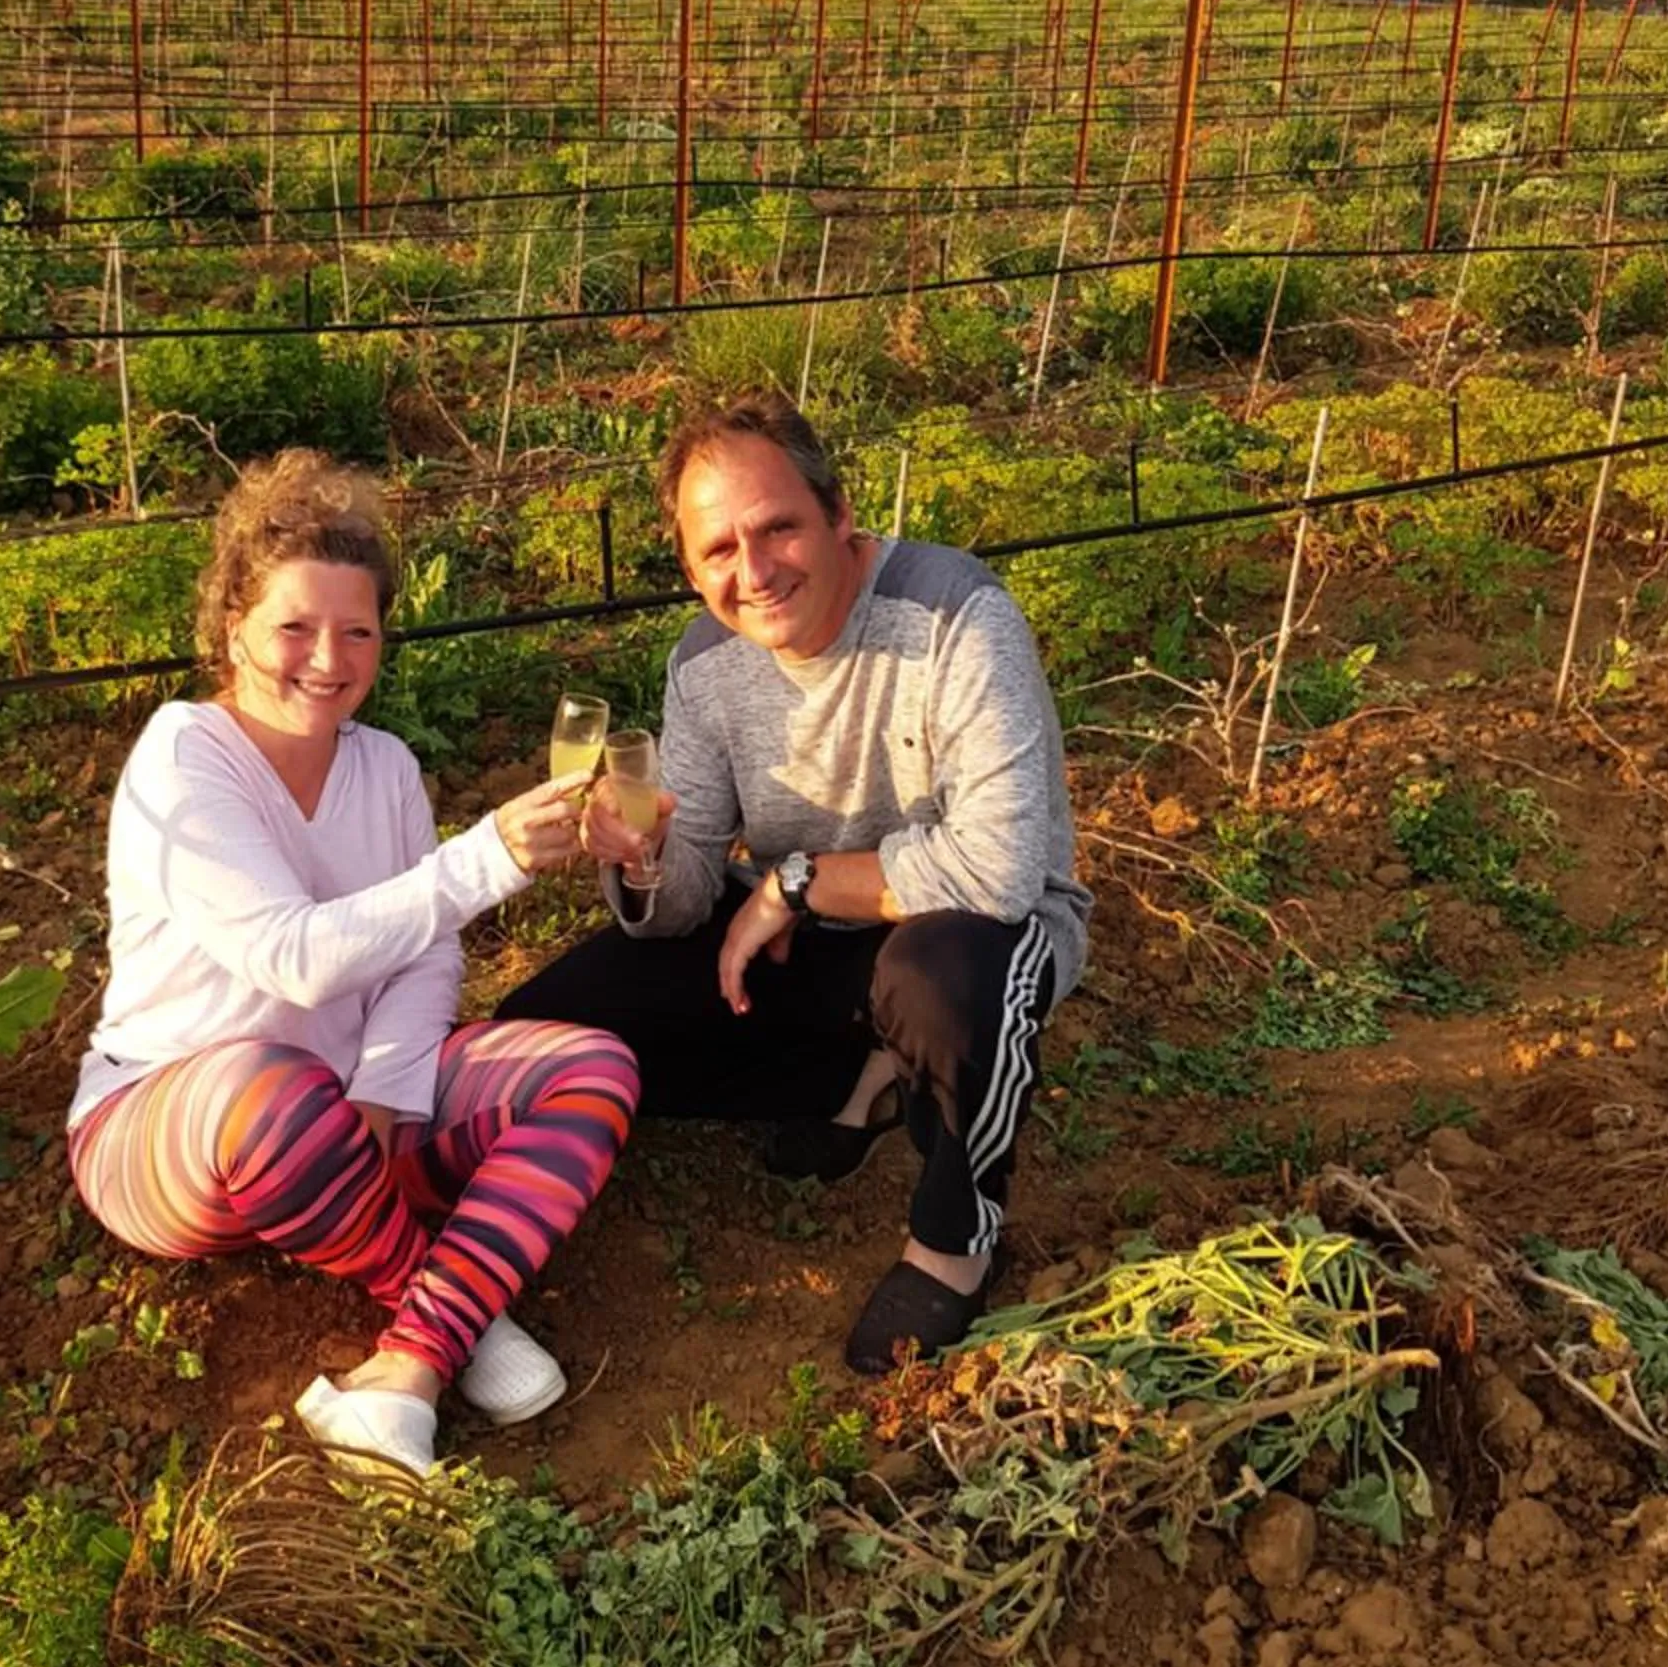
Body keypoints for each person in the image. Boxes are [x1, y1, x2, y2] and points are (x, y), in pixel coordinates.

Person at [67, 450, 638, 1479]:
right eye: (294, 626)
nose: (327, 658)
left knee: (593, 1068)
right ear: (232, 621)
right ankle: (446, 1300)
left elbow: (423, 960)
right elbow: (288, 958)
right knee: (267, 1087)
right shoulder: (184, 755)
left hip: (349, 1124)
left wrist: (383, 1083)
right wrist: (488, 858)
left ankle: (410, 1367)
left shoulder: (385, 768)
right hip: (180, 1131)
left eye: (358, 631)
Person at [498, 392, 1090, 1376]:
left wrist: (795, 883)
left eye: (779, 528)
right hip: (804, 939)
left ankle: (955, 1235)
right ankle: (857, 1074)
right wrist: (643, 862)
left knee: (947, 980)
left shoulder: (956, 614)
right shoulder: (703, 665)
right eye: (719, 550)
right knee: (539, 1031)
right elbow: (688, 894)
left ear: (839, 514)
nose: (756, 571)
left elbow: (998, 867)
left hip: (957, 925)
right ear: (689, 568)